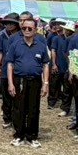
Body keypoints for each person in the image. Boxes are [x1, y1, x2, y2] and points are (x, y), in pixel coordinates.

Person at [6, 16, 51, 148]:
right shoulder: (15, 44)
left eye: (30, 28)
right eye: (24, 28)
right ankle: (19, 135)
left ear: (35, 30)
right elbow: (10, 64)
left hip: (35, 81)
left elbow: (45, 65)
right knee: (19, 108)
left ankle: (32, 136)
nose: (26, 30)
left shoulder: (41, 46)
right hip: (19, 80)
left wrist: (45, 83)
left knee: (33, 109)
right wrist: (10, 83)